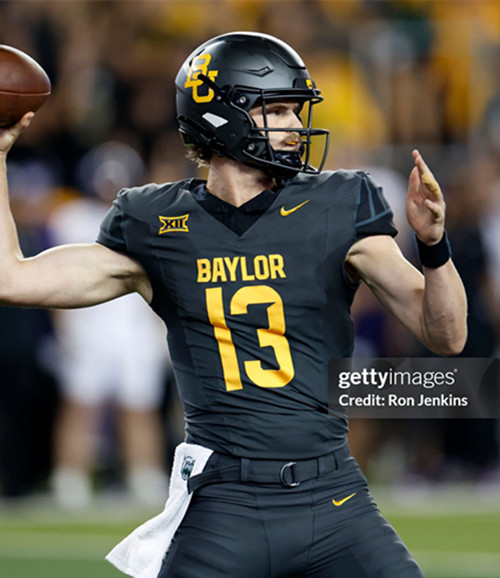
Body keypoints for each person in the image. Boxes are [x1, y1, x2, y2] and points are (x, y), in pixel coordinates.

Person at [0, 32, 467, 578]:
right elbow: (12, 279)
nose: (295, 126)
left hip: (333, 497)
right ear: (222, 115)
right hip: (224, 506)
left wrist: (434, 245)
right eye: (278, 110)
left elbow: (448, 335)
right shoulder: (155, 222)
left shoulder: (338, 203)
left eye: (295, 110)